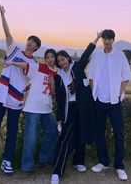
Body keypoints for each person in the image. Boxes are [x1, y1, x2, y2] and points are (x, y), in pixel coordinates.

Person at [0, 1, 41, 178]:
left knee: (12, 132)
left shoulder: (34, 64)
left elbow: (26, 68)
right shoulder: (13, 48)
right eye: (29, 41)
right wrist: (2, 15)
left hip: (16, 99)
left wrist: (10, 62)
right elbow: (7, 32)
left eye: (33, 44)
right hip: (0, 95)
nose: (29, 44)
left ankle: (7, 161)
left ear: (36, 48)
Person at [50, 31, 102, 184]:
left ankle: (79, 161)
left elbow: (86, 54)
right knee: (65, 138)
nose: (61, 62)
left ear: (68, 58)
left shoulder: (77, 68)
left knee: (82, 133)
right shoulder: (58, 77)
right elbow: (60, 100)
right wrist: (59, 119)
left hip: (84, 107)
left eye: (63, 59)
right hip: (70, 108)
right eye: (59, 61)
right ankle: (57, 170)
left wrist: (97, 39)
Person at [88, 29, 131, 181]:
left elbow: (126, 78)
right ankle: (103, 162)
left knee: (119, 134)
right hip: (99, 100)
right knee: (99, 132)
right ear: (102, 40)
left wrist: (119, 94)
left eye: (109, 39)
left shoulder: (120, 56)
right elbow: (91, 76)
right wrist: (94, 92)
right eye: (104, 39)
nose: (106, 41)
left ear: (114, 40)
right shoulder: (96, 55)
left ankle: (119, 166)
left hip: (114, 101)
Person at [2, 49, 58, 172]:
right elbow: (25, 65)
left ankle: (45, 159)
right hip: (33, 108)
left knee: (52, 131)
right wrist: (11, 62)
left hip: (47, 109)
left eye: (52, 57)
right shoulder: (39, 67)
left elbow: (52, 93)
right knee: (31, 137)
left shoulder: (56, 74)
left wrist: (52, 83)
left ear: (55, 58)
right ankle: (27, 166)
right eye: (47, 57)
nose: (49, 59)